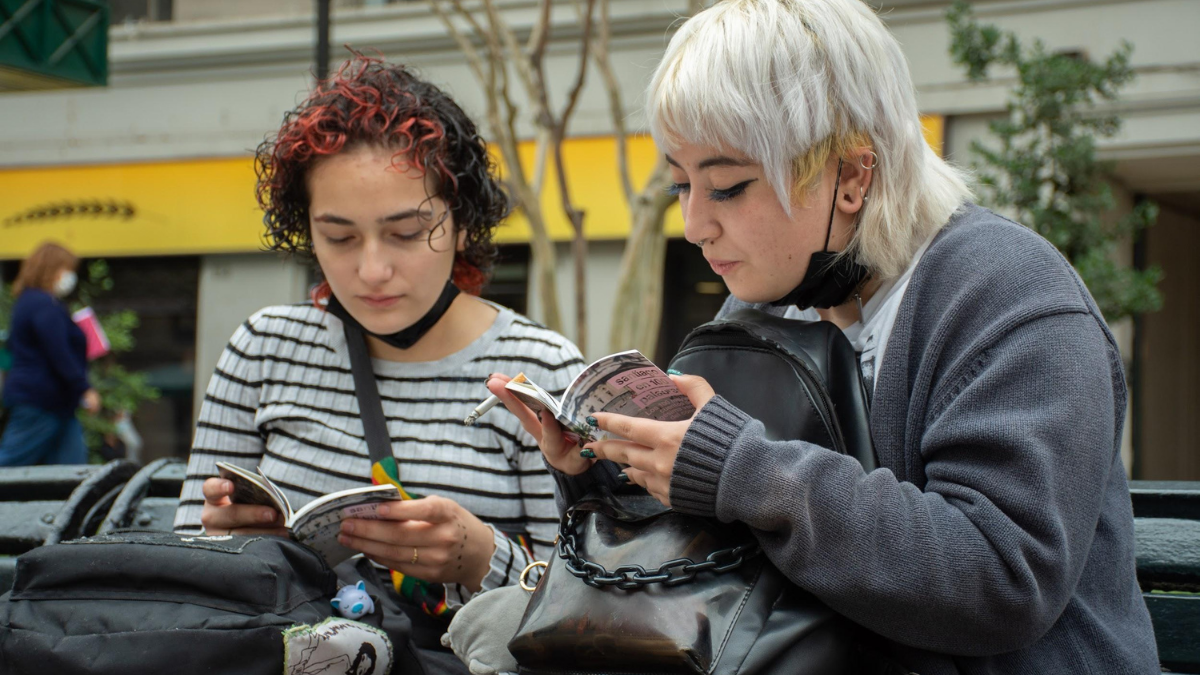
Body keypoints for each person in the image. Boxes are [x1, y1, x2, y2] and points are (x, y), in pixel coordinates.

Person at [486, 0, 1160, 672]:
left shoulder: (1011, 295)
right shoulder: (768, 300)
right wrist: (612, 465)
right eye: (680, 185)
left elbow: (1002, 578)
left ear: (851, 176)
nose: (694, 224)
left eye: (725, 187)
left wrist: (738, 468)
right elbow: (722, 540)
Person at [172, 57, 584, 672]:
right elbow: (183, 566)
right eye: (338, 237)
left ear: (462, 221)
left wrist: (480, 557)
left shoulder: (541, 368)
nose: (371, 271)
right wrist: (226, 543)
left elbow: (592, 605)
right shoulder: (263, 349)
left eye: (407, 232)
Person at [0, 242, 100, 466]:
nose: (70, 276)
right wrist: (84, 388)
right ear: (51, 269)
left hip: (57, 405)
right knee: (9, 466)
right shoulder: (42, 304)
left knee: (72, 475)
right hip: (39, 402)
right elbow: (58, 351)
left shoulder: (33, 302)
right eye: (66, 269)